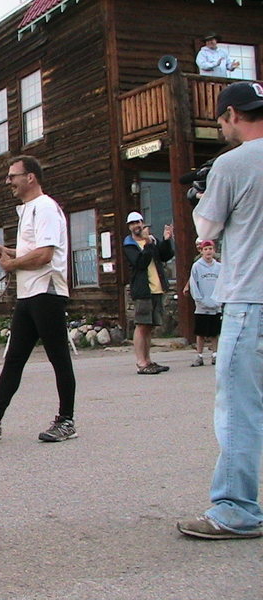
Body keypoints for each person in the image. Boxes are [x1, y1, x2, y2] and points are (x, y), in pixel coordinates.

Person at [177, 81, 263, 540]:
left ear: (230, 115)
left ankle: (235, 508)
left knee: (240, 408)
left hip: (251, 298)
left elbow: (206, 227)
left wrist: (201, 194)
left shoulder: (232, 163)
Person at [0, 155, 77, 443]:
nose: (8, 181)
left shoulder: (45, 207)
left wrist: (12, 264)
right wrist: (9, 252)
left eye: (13, 176)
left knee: (59, 358)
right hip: (28, 293)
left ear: (30, 177)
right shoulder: (28, 210)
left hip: (46, 291)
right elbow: (33, 249)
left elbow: (46, 255)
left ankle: (67, 420)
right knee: (14, 359)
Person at [122, 212, 174, 375]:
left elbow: (166, 255)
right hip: (142, 289)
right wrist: (148, 244)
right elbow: (140, 262)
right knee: (142, 325)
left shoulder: (151, 240)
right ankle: (141, 362)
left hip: (156, 288)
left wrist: (166, 240)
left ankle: (148, 360)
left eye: (139, 222)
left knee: (149, 326)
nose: (137, 225)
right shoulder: (129, 244)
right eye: (133, 223)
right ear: (129, 227)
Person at [188, 239, 222, 367]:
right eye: (205, 249)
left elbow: (222, 284)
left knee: (215, 332)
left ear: (214, 250)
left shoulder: (219, 267)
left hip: (215, 304)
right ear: (201, 251)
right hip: (202, 306)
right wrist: (199, 299)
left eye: (210, 249)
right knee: (201, 332)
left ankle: (215, 355)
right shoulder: (197, 266)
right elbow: (193, 284)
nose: (208, 251)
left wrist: (219, 300)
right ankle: (199, 355)